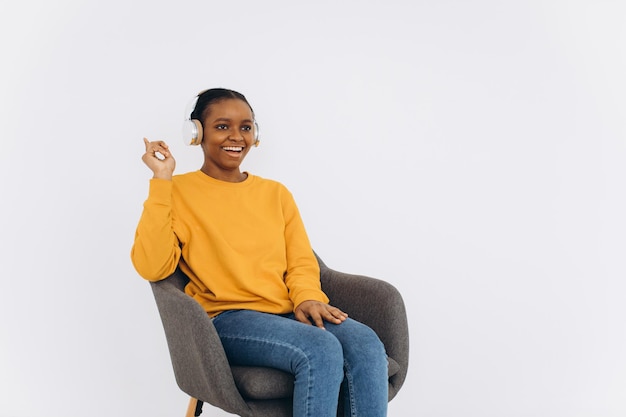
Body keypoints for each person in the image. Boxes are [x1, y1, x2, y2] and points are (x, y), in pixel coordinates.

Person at [131, 88, 388, 417]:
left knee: (366, 344)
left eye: (246, 127)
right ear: (196, 132)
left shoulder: (276, 194)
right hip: (226, 319)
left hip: (285, 312)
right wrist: (161, 181)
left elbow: (300, 261)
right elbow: (152, 266)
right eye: (222, 126)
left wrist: (308, 297)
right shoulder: (178, 191)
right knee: (320, 348)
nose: (236, 136)